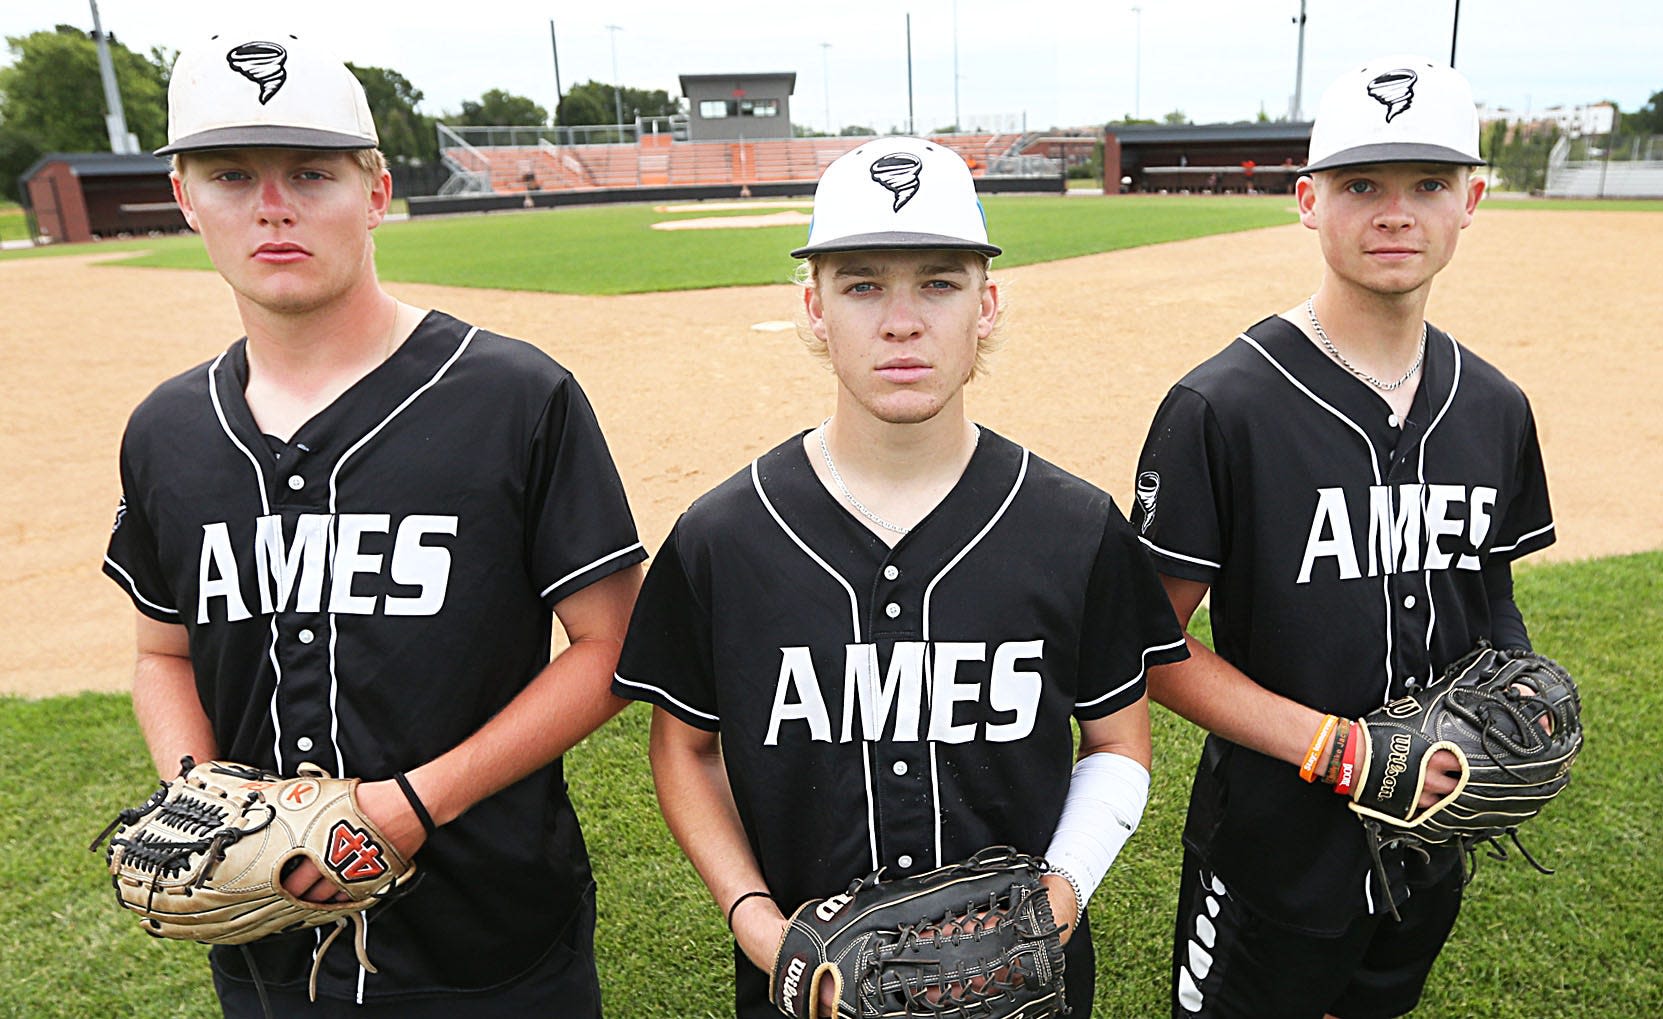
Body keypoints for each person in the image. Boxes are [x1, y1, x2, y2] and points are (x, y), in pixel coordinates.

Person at [101, 27, 645, 1016]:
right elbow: (161, 652)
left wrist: (411, 803)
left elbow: (613, 645)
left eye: (311, 172)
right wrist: (208, 804)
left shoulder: (514, 397)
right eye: (230, 174)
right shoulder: (167, 431)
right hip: (264, 940)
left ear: (377, 192)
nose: (272, 205)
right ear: (186, 199)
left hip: (494, 932)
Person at [611, 136, 1189, 1017]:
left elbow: (1117, 743)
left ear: (986, 304)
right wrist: (764, 930)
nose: (901, 319)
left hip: (1025, 991)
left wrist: (1055, 903)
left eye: (938, 282)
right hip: (804, 994)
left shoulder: (1073, 527)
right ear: (813, 307)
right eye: (863, 283)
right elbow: (684, 747)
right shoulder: (724, 537)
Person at [1131, 56, 1556, 1018]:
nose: (1395, 212)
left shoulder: (1492, 405)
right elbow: (1145, 644)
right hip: (1274, 848)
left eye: (1428, 184)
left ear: (1471, 200)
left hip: (1432, 833)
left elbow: (1488, 589)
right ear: (1307, 202)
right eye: (1361, 184)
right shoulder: (1221, 405)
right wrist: (1339, 749)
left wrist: (1515, 689)